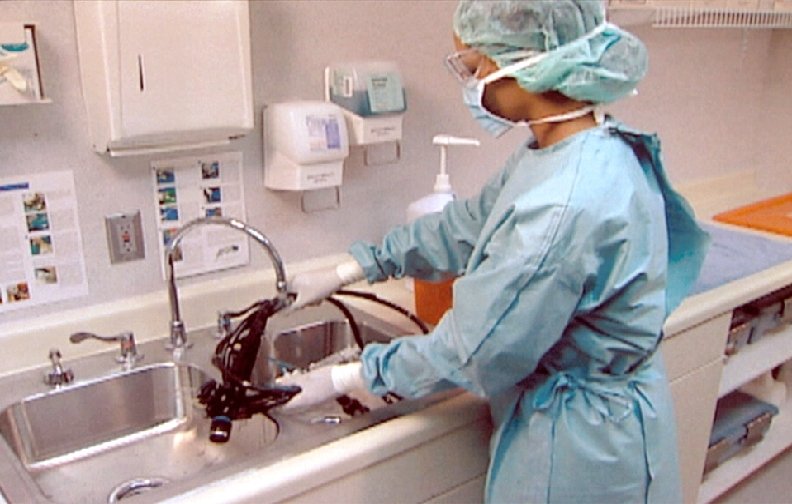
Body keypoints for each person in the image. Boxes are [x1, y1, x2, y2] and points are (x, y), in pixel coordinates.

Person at [282, 1, 709, 502]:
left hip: (579, 451)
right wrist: (357, 266)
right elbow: (469, 223)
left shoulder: (562, 206)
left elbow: (475, 352)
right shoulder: (572, 147)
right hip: (607, 423)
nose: (473, 83)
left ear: (528, 64)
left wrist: (349, 376)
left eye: (475, 65)